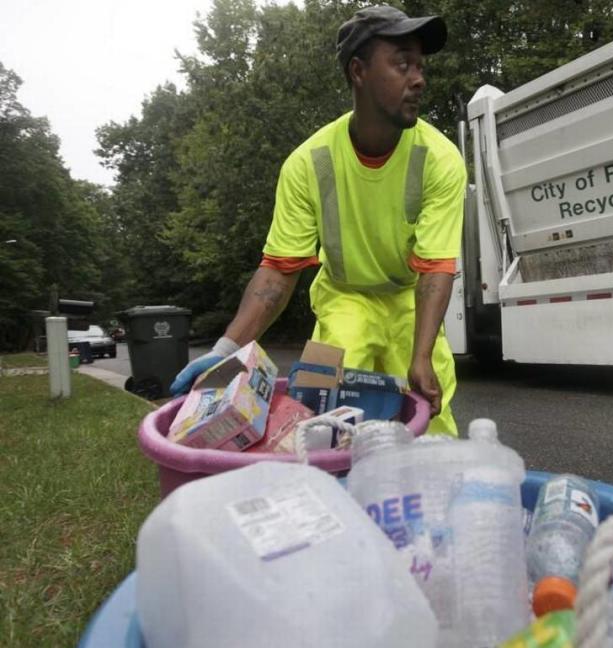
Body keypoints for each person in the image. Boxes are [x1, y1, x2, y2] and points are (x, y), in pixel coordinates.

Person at [171, 6, 465, 435]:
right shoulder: (309, 162)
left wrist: (421, 357)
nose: (419, 78)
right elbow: (278, 272)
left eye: (420, 65)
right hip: (346, 298)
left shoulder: (439, 159)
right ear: (358, 72)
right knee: (329, 413)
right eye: (402, 63)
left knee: (428, 419)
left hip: (409, 301)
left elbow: (436, 269)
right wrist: (227, 349)